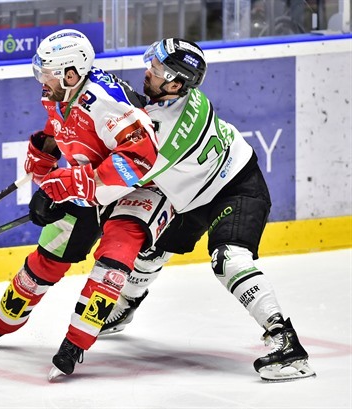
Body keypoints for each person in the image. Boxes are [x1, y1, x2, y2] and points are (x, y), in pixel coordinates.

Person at [98, 38, 315, 382]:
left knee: (228, 259)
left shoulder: (163, 134)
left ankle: (287, 345)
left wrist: (71, 193)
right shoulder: (174, 98)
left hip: (236, 188)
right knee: (151, 246)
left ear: (174, 83)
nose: (147, 72)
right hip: (192, 192)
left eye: (155, 70)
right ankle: (124, 309)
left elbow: (118, 179)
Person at [0, 29, 173, 380]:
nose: (41, 82)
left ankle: (76, 343)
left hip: (139, 191)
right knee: (46, 259)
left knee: (112, 266)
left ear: (70, 74)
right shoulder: (63, 94)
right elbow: (60, 129)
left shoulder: (106, 103)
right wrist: (43, 158)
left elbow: (139, 158)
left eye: (46, 74)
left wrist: (72, 182)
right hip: (91, 187)